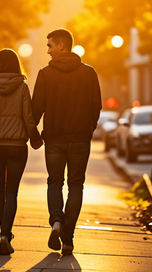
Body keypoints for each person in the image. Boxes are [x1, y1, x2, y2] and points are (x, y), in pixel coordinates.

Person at [32, 29, 102, 255]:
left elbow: (35, 109)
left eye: (50, 45)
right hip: (80, 139)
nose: (48, 50)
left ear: (61, 46)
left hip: (54, 139)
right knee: (76, 185)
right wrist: (87, 129)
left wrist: (32, 135)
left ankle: (56, 222)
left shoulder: (45, 74)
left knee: (54, 181)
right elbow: (96, 106)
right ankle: (68, 237)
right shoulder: (89, 73)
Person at [0, 48, 43, 255]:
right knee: (12, 190)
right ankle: (6, 234)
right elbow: (28, 116)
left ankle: (3, 234)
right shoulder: (22, 87)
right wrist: (34, 137)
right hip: (16, 145)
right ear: (16, 65)